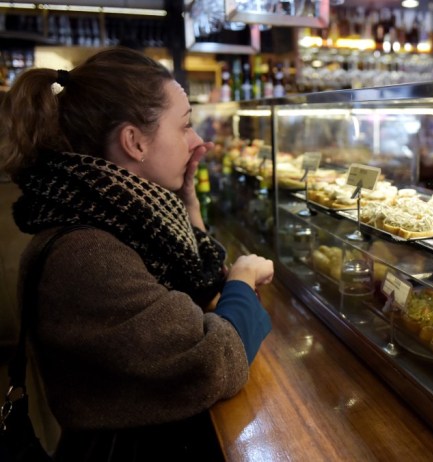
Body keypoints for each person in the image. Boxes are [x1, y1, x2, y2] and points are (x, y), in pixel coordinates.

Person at [0, 47, 274, 461]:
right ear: (134, 141)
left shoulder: (119, 217)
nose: (197, 141)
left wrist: (189, 210)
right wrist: (243, 277)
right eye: (184, 127)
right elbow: (215, 358)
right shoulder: (86, 255)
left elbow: (197, 293)